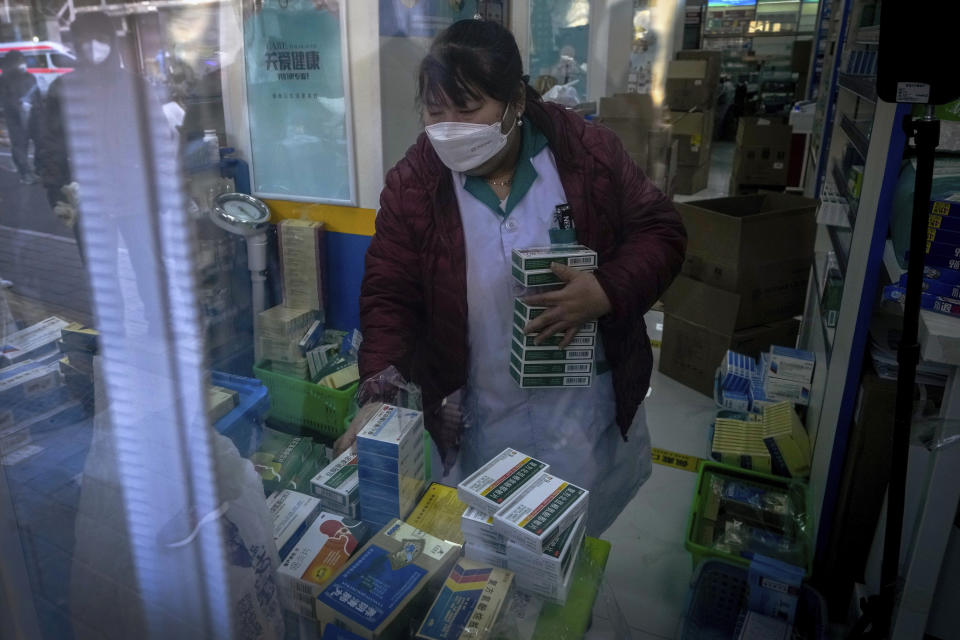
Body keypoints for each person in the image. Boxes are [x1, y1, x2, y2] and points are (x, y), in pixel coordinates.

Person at [343, 19, 686, 536]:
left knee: (575, 549)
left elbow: (661, 231)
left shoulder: (585, 156)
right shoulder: (415, 186)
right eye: (437, 112)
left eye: (469, 109)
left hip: (583, 407)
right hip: (483, 412)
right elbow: (391, 294)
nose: (452, 127)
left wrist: (606, 290)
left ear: (516, 102)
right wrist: (380, 393)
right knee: (494, 551)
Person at [0, 50, 39, 183]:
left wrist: (38, 111)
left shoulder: (30, 77)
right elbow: (6, 100)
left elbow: (37, 96)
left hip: (33, 117)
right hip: (16, 120)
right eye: (19, 61)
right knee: (20, 147)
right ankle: (25, 174)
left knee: (40, 143)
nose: (22, 64)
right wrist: (19, 107)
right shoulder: (4, 80)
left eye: (22, 61)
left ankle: (38, 169)